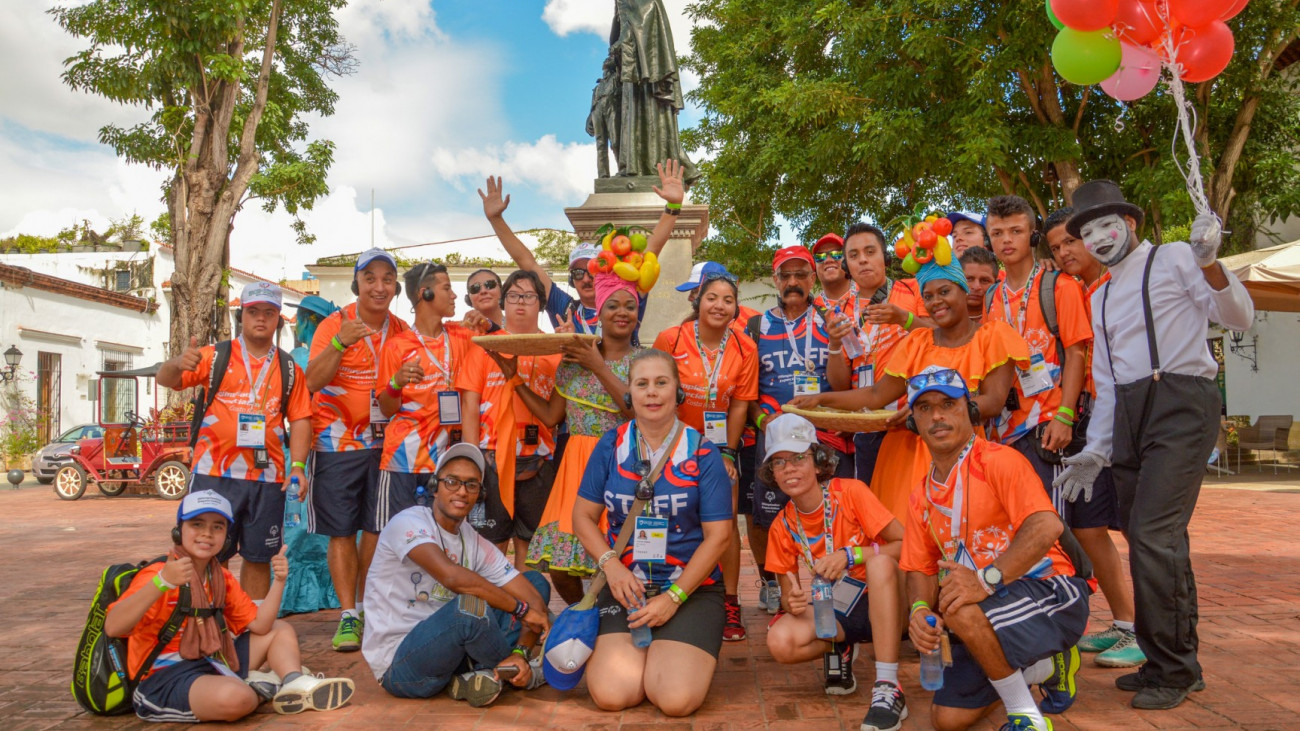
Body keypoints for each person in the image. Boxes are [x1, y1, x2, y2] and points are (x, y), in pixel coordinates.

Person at [1055, 180, 1254, 710]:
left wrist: (1211, 264)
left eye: (1105, 225)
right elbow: (1106, 374)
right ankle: (1171, 659)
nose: (1097, 238)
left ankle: (1173, 668)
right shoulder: (1099, 297)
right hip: (1129, 412)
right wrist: (1096, 449)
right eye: (1086, 231)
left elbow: (1239, 316)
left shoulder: (1173, 259)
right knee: (1157, 538)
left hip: (1182, 401)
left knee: (1151, 533)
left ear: (1131, 223)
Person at [903, 372, 1089, 731]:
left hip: (1050, 588)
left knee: (958, 603)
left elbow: (1046, 526)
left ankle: (1026, 717)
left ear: (970, 412)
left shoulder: (999, 461)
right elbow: (920, 567)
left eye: (948, 405)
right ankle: (1050, 665)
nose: (937, 416)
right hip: (986, 603)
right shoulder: (920, 495)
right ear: (914, 422)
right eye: (924, 408)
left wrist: (985, 580)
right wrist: (919, 609)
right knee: (948, 719)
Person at [788, 260, 1026, 524]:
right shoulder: (917, 342)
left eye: (944, 292)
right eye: (928, 296)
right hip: (903, 456)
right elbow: (876, 395)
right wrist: (821, 399)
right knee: (903, 542)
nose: (936, 302)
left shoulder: (992, 336)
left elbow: (992, 402)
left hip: (961, 453)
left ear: (962, 290)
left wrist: (921, 414)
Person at [571, 349, 732, 717]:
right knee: (611, 695)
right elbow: (582, 516)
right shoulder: (611, 445)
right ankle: (658, 655)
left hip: (690, 589)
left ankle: (676, 652)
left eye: (662, 382)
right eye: (641, 384)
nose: (652, 392)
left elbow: (719, 537)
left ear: (678, 391)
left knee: (675, 701)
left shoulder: (704, 453)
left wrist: (674, 598)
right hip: (626, 586)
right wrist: (611, 566)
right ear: (629, 393)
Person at [106, 490, 353, 722]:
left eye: (217, 527)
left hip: (211, 662)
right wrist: (162, 583)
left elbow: (261, 625)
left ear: (226, 537)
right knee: (237, 699)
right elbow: (113, 627)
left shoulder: (219, 577)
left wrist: (279, 581)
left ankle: (293, 682)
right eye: (197, 524)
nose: (207, 534)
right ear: (178, 531)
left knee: (280, 630)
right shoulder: (157, 573)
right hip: (163, 678)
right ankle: (264, 688)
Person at [362, 442, 551, 706]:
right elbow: (451, 577)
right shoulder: (408, 522)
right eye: (452, 482)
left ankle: (504, 666)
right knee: (468, 609)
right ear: (434, 488)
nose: (462, 491)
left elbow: (532, 597)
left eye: (472, 485)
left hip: (451, 650)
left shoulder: (472, 540)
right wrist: (520, 610)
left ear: (479, 495)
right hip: (400, 665)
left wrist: (522, 647)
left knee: (535, 581)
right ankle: (514, 672)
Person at [157, 282, 311, 600]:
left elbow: (299, 419)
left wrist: (297, 466)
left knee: (259, 558)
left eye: (269, 313)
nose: (261, 319)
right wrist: (176, 363)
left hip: (266, 479)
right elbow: (167, 379)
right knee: (208, 554)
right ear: (242, 315)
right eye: (253, 312)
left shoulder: (289, 368)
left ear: (279, 319)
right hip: (215, 474)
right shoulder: (215, 357)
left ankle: (248, 628)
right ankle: (209, 621)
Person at [760, 414, 908, 730]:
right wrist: (794, 602)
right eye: (779, 462)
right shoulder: (781, 526)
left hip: (886, 600)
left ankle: (888, 686)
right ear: (772, 473)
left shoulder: (850, 492)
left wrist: (853, 555)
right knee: (780, 640)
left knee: (880, 563)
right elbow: (787, 595)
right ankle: (841, 646)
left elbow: (906, 545)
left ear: (818, 462)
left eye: (799, 458)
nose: (789, 469)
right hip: (835, 610)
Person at [1042, 207, 1142, 669]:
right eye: (1057, 247)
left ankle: (1145, 631)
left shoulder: (1118, 285)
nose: (1064, 252)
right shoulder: (1086, 290)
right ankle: (1125, 623)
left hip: (1130, 420)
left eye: (1071, 242)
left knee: (1143, 531)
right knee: (1088, 525)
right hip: (1094, 422)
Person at [984, 195, 1095, 588]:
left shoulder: (1058, 286)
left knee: (1051, 524)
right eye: (997, 233)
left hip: (1047, 425)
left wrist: (1066, 415)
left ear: (1032, 233)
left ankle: (1068, 608)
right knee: (1015, 526)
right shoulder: (991, 297)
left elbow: (1077, 352)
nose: (1006, 240)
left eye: (1015, 230)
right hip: (1003, 431)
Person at [304, 247, 410, 652]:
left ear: (395, 287)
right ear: (358, 283)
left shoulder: (402, 330)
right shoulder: (334, 323)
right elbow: (311, 382)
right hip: (337, 442)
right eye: (370, 278)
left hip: (389, 443)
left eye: (387, 279)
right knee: (342, 529)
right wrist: (338, 344)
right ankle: (348, 615)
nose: (379, 286)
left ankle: (367, 606)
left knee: (378, 529)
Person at [518, 271, 642, 605]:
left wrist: (598, 365)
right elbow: (550, 416)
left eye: (630, 306)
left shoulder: (645, 362)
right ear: (598, 313)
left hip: (623, 463)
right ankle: (581, 614)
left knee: (623, 554)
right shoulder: (572, 363)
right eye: (613, 305)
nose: (622, 312)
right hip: (575, 466)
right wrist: (512, 379)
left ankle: (615, 621)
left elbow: (638, 413)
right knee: (562, 566)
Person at [747, 244, 854, 614]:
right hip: (773, 437)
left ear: (813, 279)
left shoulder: (832, 319)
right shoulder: (758, 325)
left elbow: (844, 385)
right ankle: (773, 585)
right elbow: (746, 390)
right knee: (766, 517)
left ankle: (840, 593)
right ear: (776, 280)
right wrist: (764, 422)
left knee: (835, 512)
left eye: (800, 275)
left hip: (823, 435)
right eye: (785, 275)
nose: (793, 282)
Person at [653, 269, 758, 641]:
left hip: (718, 450)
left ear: (735, 307)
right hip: (673, 445)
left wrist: (727, 453)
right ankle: (666, 590)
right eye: (712, 297)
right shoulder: (671, 338)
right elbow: (656, 390)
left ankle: (730, 601)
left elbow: (740, 407)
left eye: (728, 299)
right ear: (698, 300)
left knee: (725, 524)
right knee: (673, 517)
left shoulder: (746, 347)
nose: (720, 305)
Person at [480, 159, 686, 341]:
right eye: (578, 273)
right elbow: (528, 262)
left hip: (621, 383)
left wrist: (673, 206)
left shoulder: (625, 296)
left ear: (606, 271)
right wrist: (496, 220)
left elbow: (652, 249)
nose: (586, 278)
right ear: (572, 280)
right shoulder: (565, 307)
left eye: (593, 270)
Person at [458, 270, 562, 568]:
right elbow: (470, 404)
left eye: (529, 296)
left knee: (530, 552)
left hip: (539, 461)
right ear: (503, 302)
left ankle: (525, 612)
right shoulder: (485, 346)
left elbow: (556, 414)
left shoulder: (555, 350)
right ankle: (488, 612)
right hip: (491, 459)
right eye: (514, 295)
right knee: (489, 546)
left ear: (541, 304)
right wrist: (471, 459)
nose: (521, 303)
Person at [374, 261, 474, 548]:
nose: (454, 295)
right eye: (447, 288)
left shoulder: (462, 336)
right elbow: (386, 408)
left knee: (447, 542)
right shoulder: (397, 346)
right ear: (425, 294)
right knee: (396, 541)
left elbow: (498, 340)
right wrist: (396, 382)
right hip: (404, 461)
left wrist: (486, 319)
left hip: (448, 461)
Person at [837, 222, 931, 486]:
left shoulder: (914, 289)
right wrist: (834, 345)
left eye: (870, 251)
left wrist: (905, 319)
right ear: (846, 265)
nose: (863, 260)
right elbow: (840, 381)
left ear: (885, 257)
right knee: (871, 509)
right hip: (867, 423)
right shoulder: (842, 309)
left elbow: (944, 337)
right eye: (853, 256)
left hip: (913, 420)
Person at [283, 294, 341, 615]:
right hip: (333, 446)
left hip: (300, 448)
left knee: (296, 523)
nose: (295, 324)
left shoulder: (297, 359)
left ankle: (292, 596)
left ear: (308, 322)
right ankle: (332, 594)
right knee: (328, 526)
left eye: (300, 318)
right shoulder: (336, 354)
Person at [811, 232, 855, 313]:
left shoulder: (873, 299)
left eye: (837, 254)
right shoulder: (809, 314)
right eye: (820, 256)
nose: (828, 260)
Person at [958, 246, 999, 323]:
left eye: (985, 280)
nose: (976, 287)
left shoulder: (1004, 316)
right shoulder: (939, 318)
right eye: (969, 279)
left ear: (996, 283)